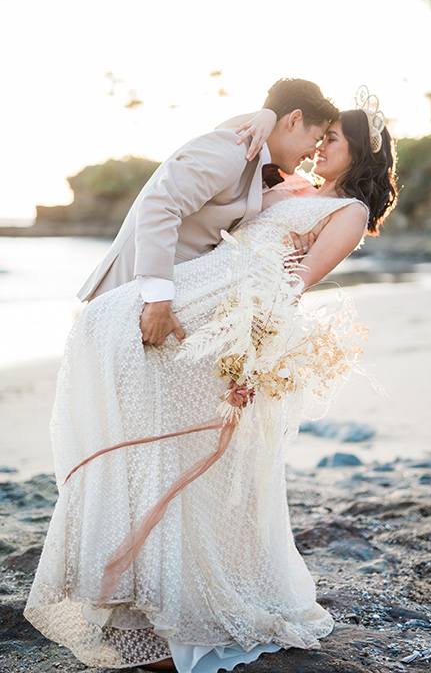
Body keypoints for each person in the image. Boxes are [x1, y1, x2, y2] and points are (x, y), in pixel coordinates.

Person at [24, 88, 398, 673]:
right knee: (108, 341)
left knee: (195, 452)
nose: (320, 148)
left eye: (333, 141)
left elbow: (291, 291)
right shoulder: (292, 184)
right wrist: (267, 114)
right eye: (319, 137)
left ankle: (181, 600)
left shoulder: (347, 214)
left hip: (229, 314)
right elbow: (244, 157)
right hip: (202, 281)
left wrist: (253, 358)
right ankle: (139, 587)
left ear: (359, 155)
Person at [77, 78, 337, 349]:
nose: (314, 152)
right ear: (294, 120)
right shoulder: (233, 149)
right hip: (131, 296)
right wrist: (158, 300)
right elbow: (159, 204)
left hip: (163, 305)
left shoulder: (256, 163)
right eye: (316, 139)